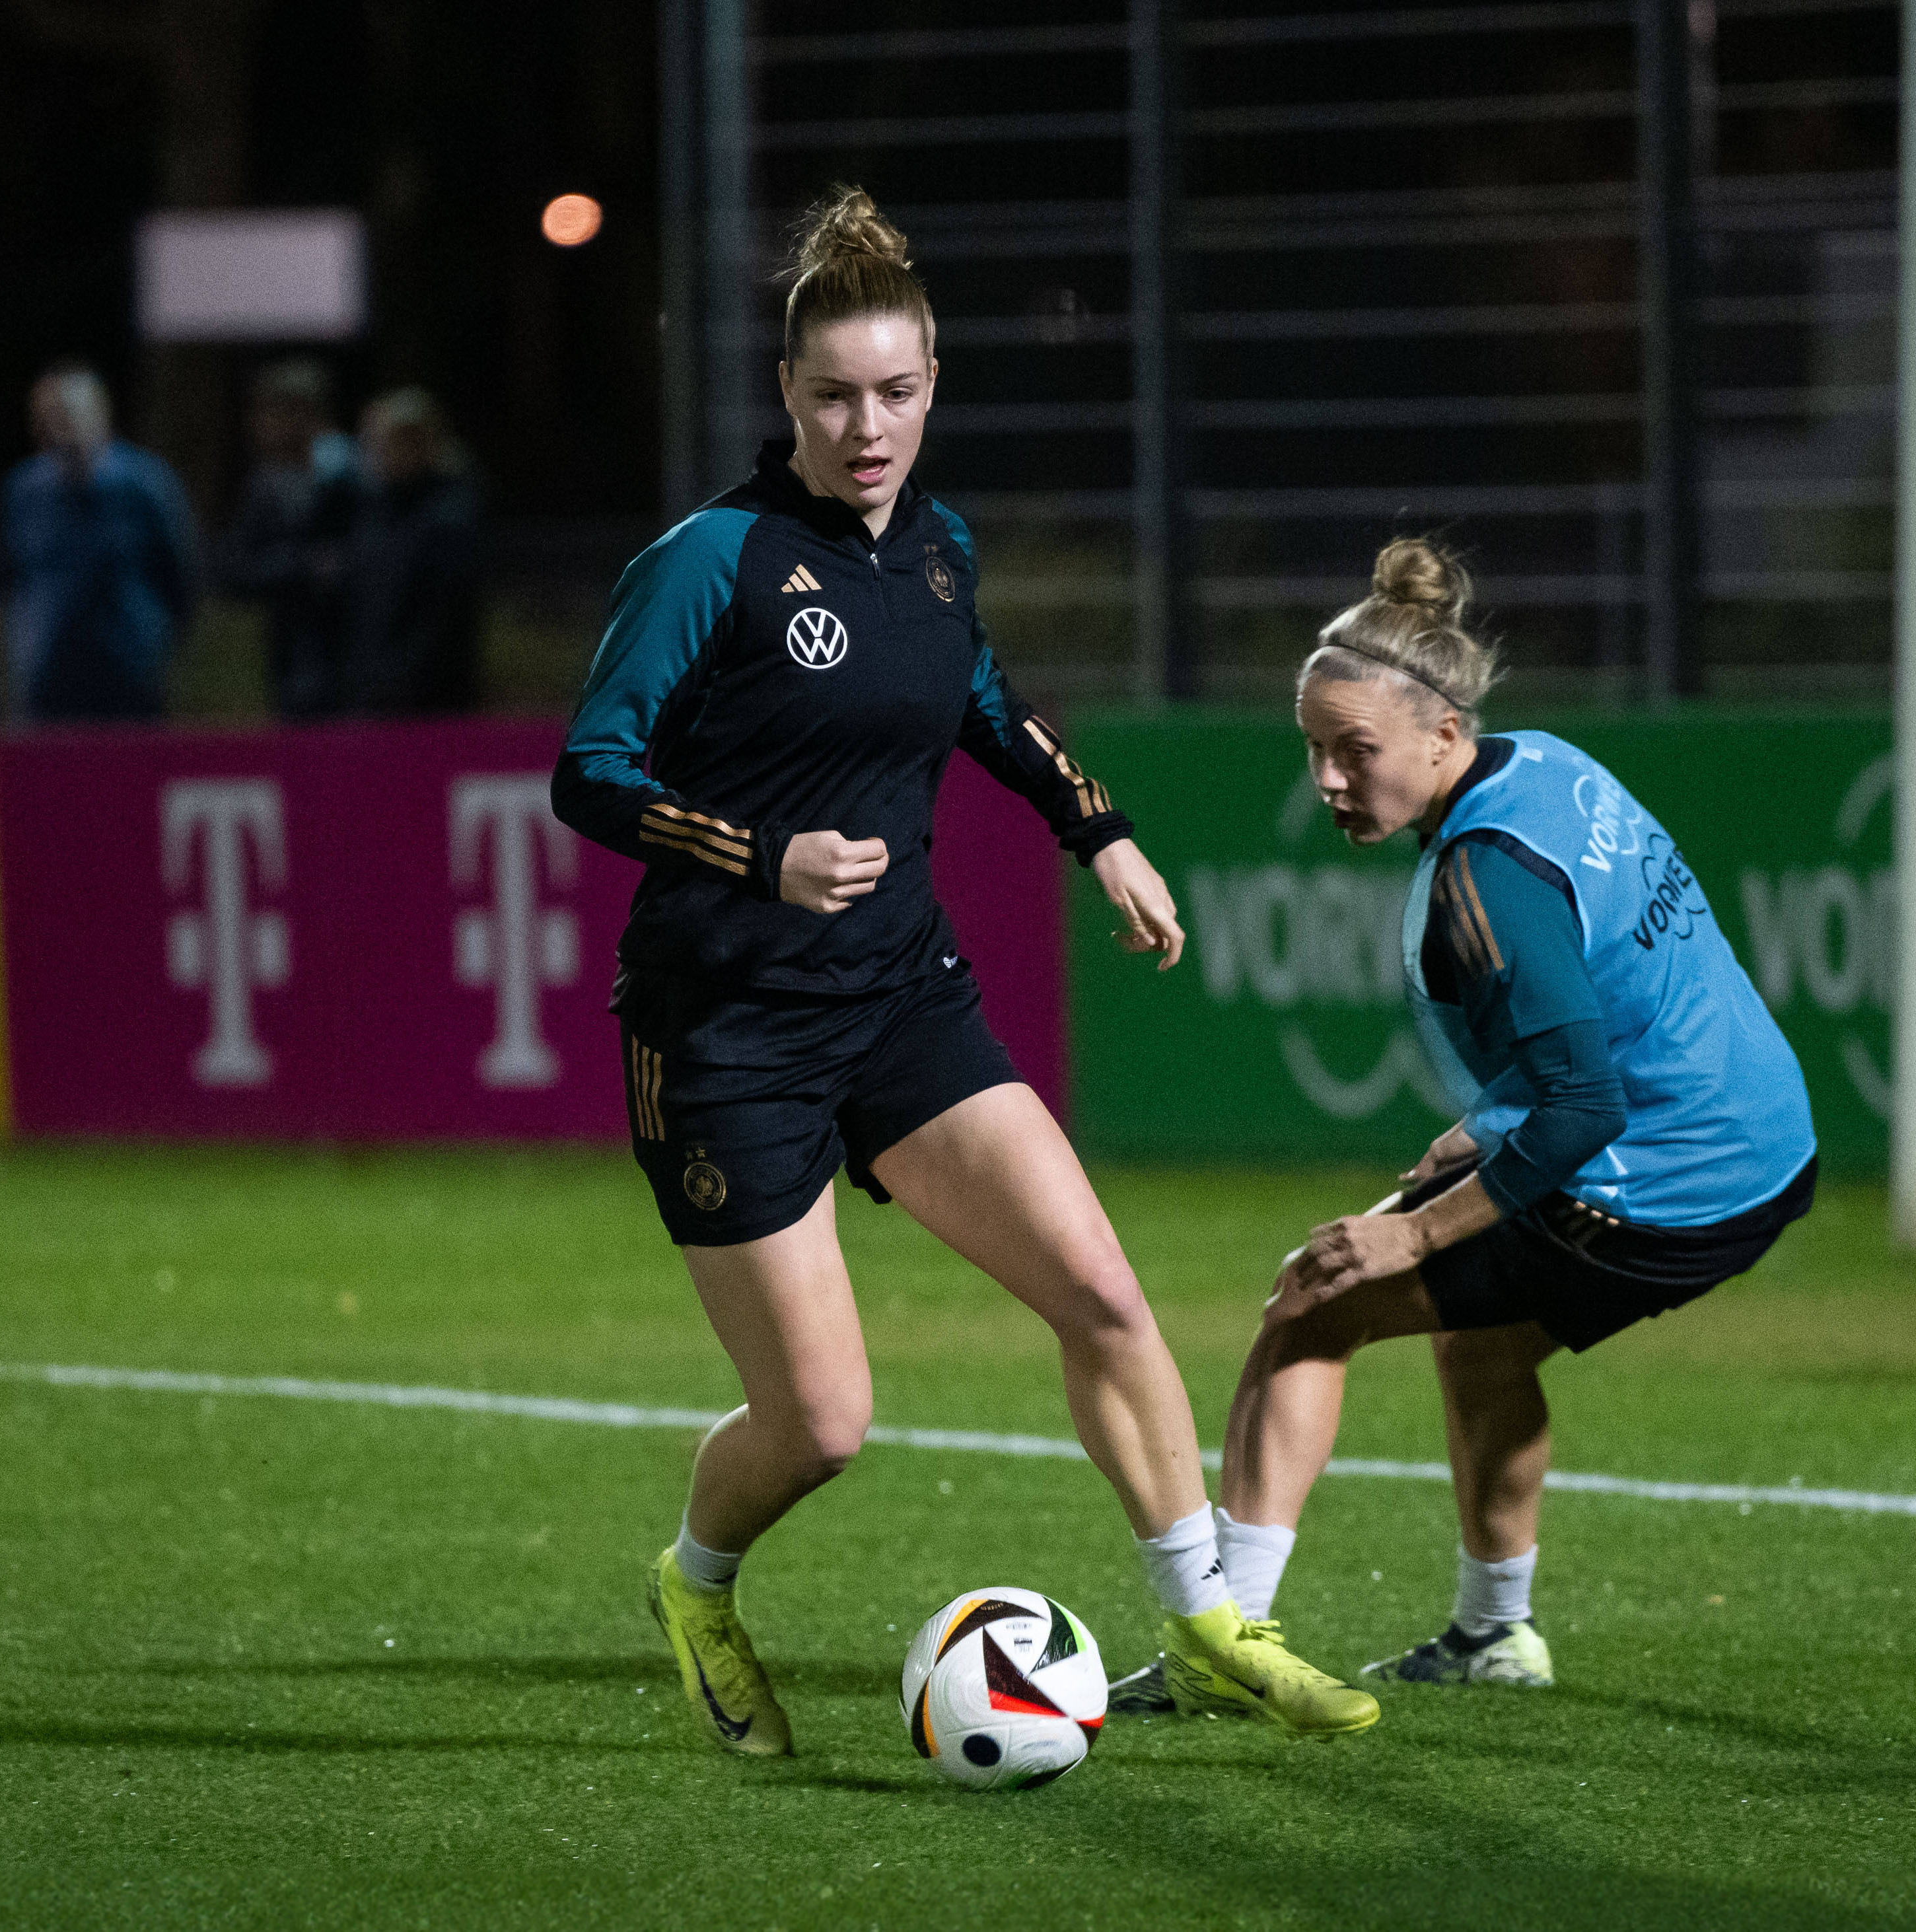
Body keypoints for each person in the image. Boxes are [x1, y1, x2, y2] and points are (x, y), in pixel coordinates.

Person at [553, 187, 1378, 1757]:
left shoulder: (933, 548)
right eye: (831, 396)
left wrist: (1100, 831)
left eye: (895, 392)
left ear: (931, 381)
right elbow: (587, 774)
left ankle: (1204, 1623)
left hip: (899, 997)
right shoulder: (708, 563)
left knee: (1103, 1294)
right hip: (722, 1028)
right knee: (822, 1423)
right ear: (784, 397)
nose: (866, 427)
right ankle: (695, 1579)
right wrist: (756, 852)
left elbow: (983, 698)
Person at [1107, 538, 1816, 1713]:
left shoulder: (1486, 877)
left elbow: (1584, 1104)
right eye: (1315, 752)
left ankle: (1216, 1651)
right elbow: (1603, 1021)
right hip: (1762, 1144)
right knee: (1483, 1340)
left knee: (1314, 1299)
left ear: (1441, 735)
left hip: (1659, 1176)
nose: (1330, 781)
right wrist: (1480, 1131)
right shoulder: (1545, 765)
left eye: (1357, 752)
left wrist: (1416, 1236)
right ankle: (1495, 1633)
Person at [0, 361, 199, 723]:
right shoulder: (23, 491)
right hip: (47, 680)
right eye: (48, 416)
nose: (59, 427)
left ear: (100, 413)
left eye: (69, 413)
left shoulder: (145, 484)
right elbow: (9, 578)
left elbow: (181, 576)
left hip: (129, 677)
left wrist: (154, 643)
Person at [219, 358, 361, 720]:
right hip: (292, 656)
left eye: (290, 412)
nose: (271, 426)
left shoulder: (354, 473)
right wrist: (303, 566)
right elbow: (237, 571)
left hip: (359, 653)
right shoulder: (264, 486)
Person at [343, 386, 482, 715]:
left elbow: (440, 620)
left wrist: (391, 684)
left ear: (416, 442)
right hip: (373, 692)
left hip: (425, 704)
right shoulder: (376, 508)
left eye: (383, 443)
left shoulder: (449, 516)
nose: (373, 453)